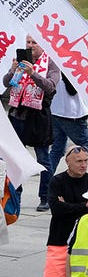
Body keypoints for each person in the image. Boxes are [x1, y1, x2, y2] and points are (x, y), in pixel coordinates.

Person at [41, 146, 88, 277]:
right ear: (67, 162)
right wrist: (83, 207)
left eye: (86, 160)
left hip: (82, 246)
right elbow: (56, 209)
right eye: (79, 161)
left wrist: (69, 206)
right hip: (58, 242)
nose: (83, 164)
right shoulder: (57, 181)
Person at [5, 35, 59, 213]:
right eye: (28, 42)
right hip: (17, 114)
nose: (30, 46)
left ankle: (46, 197)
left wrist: (33, 74)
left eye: (34, 42)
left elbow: (51, 86)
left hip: (38, 117)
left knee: (43, 159)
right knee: (14, 158)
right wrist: (13, 71)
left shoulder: (50, 63)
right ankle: (15, 194)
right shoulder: (22, 60)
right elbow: (6, 83)